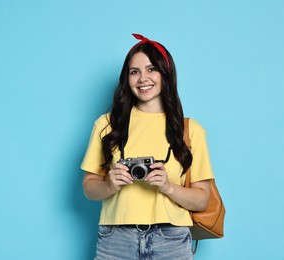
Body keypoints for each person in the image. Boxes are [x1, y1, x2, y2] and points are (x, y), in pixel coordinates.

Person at [80, 34, 215, 259]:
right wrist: (110, 185)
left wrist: (168, 187)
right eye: (135, 72)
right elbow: (88, 187)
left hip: (170, 239)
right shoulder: (107, 125)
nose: (143, 78)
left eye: (152, 69)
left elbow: (202, 199)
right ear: (127, 78)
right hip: (116, 240)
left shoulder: (190, 130)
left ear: (166, 73)